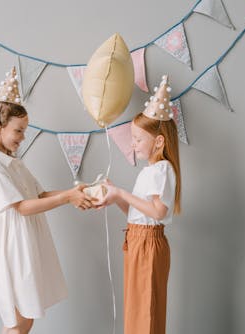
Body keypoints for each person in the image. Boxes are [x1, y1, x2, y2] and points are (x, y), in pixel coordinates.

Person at [0, 67, 95, 334]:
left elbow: (38, 196)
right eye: (18, 131)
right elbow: (23, 207)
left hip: (26, 244)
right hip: (12, 249)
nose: (22, 138)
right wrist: (66, 198)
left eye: (24, 131)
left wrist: (74, 192)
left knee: (25, 320)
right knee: (17, 321)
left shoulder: (14, 164)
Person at [95, 75, 182, 334]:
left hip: (147, 244)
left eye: (138, 139)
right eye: (132, 138)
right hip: (137, 239)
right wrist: (116, 198)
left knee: (147, 310)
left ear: (158, 142)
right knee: (136, 309)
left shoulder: (162, 169)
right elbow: (138, 214)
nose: (133, 144)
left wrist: (121, 192)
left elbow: (158, 212)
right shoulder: (148, 171)